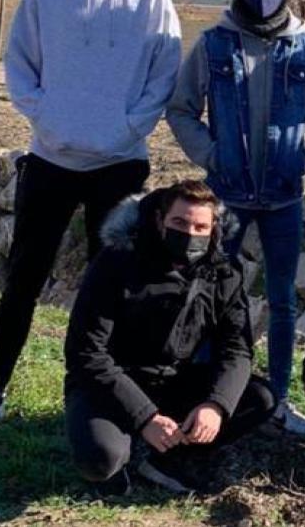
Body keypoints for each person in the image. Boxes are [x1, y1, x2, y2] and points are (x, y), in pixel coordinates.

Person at [0, 0, 183, 426]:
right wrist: (46, 118)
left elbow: (165, 69)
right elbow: (20, 63)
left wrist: (131, 125)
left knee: (117, 287)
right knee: (23, 279)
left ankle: (110, 405)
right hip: (51, 159)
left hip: (120, 164)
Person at [166, 0, 305, 436]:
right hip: (225, 197)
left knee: (284, 301)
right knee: (207, 293)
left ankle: (280, 402)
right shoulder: (213, 44)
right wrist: (212, 154)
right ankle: (206, 398)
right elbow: (181, 109)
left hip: (284, 196)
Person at [63, 180, 275, 495]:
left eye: (200, 226)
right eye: (179, 222)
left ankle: (172, 456)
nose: (190, 233)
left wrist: (216, 405)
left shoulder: (224, 273)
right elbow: (86, 353)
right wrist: (144, 415)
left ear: (213, 228)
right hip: (110, 384)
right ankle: (123, 451)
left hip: (174, 380)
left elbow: (237, 349)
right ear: (160, 220)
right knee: (101, 460)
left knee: (260, 399)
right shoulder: (117, 262)